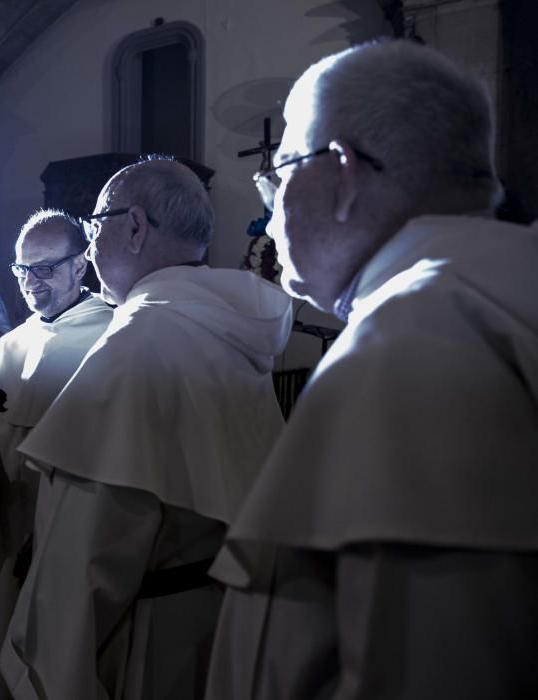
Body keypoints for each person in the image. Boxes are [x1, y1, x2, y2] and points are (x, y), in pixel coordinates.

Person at [206, 40, 538, 699]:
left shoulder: (415, 338)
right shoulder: (497, 288)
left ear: (342, 172)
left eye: (279, 174)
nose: (270, 214)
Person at [0, 157, 293, 699]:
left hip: (155, 644)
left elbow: (83, 568)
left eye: (94, 226)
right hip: (228, 622)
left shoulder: (136, 343)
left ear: (134, 227)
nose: (89, 247)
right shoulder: (231, 323)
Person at [0, 209, 114, 699]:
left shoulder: (112, 335)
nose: (30, 284)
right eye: (21, 269)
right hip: (10, 520)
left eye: (45, 269)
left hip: (71, 532)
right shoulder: (19, 339)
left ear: (82, 265)